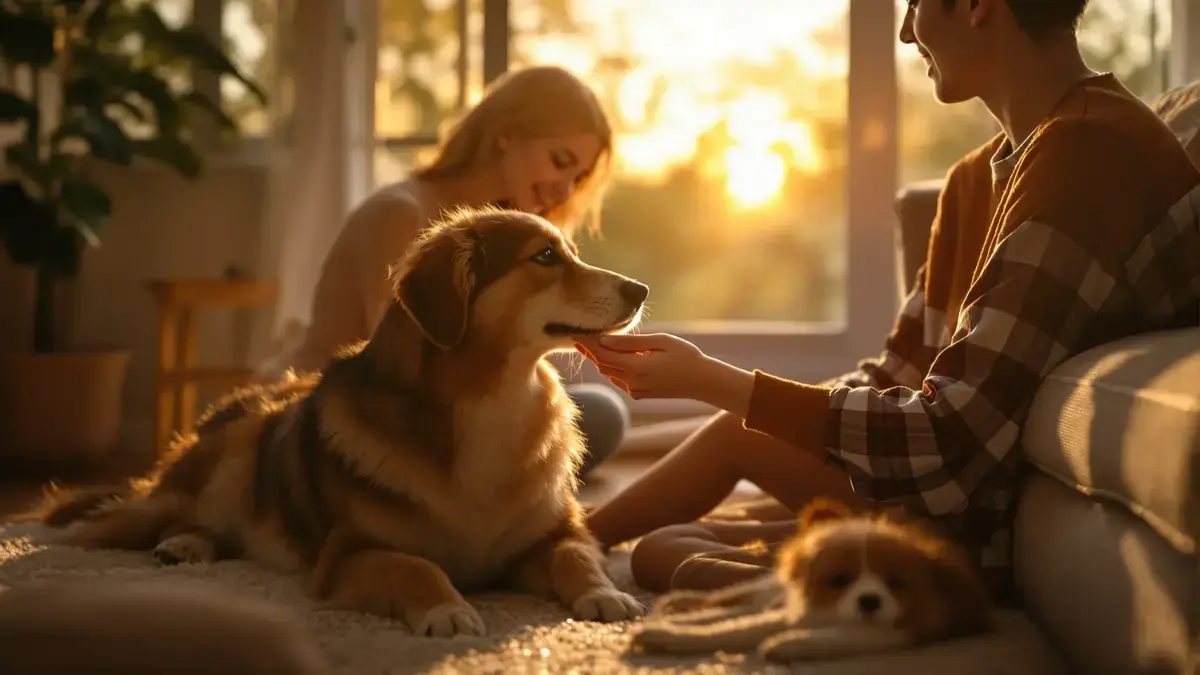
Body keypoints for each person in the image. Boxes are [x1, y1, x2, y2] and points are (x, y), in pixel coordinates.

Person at [578, 0, 1200, 603]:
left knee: (730, 441)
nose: (906, 34)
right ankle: (580, 542)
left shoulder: (1089, 149)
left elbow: (952, 436)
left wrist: (714, 382)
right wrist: (750, 399)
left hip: (964, 519)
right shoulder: (973, 181)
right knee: (665, 550)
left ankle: (558, 545)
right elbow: (895, 373)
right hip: (919, 499)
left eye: (915, 5)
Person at [278, 65, 629, 477]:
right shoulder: (400, 213)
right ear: (508, 133)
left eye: (579, 177)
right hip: (351, 415)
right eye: (559, 161)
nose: (566, 190)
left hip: (445, 411)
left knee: (598, 413)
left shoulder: (510, 232)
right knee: (593, 416)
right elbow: (404, 366)